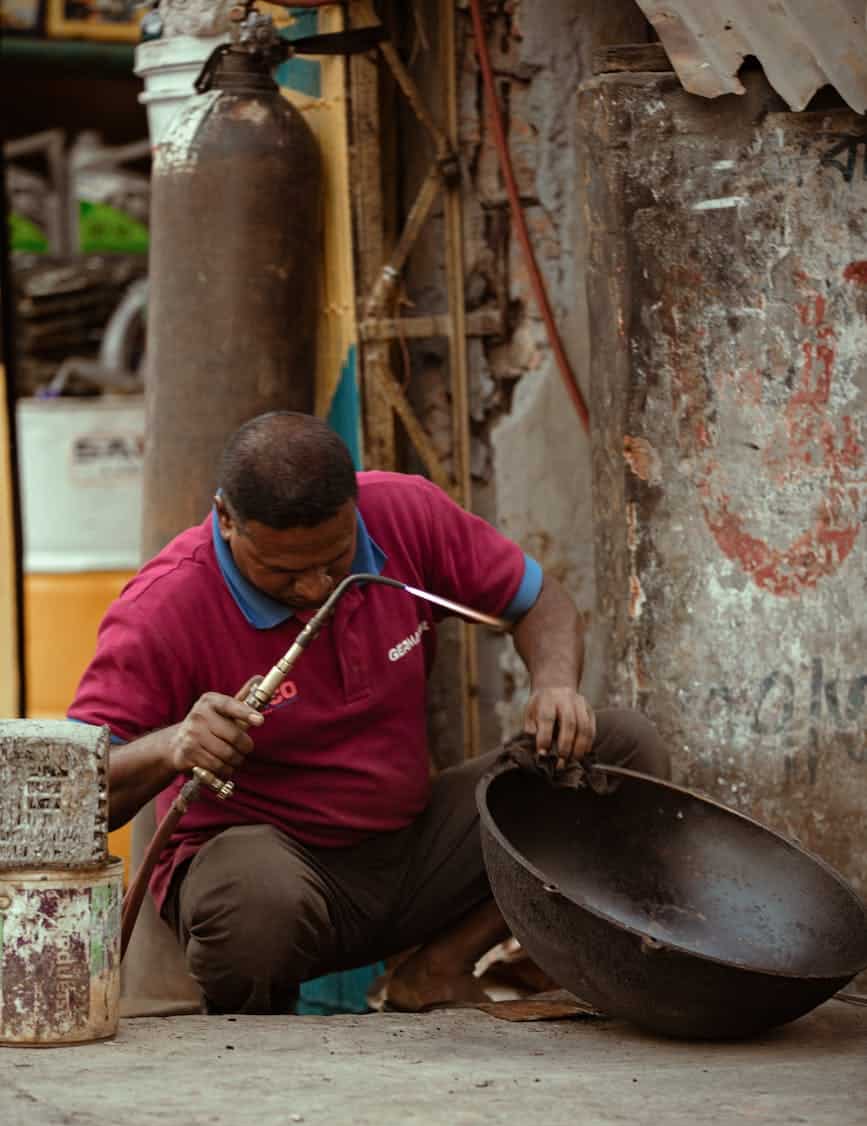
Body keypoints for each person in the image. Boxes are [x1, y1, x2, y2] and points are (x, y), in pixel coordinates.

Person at [69, 410, 669, 1014]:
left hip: (410, 851)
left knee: (620, 752)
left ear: (355, 506)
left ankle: (440, 967)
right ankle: (257, 1043)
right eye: (284, 572)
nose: (313, 588)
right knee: (254, 899)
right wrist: (170, 745)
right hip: (273, 878)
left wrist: (556, 684)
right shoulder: (162, 609)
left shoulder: (404, 513)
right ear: (226, 519)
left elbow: (542, 602)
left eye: (333, 560)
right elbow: (68, 790)